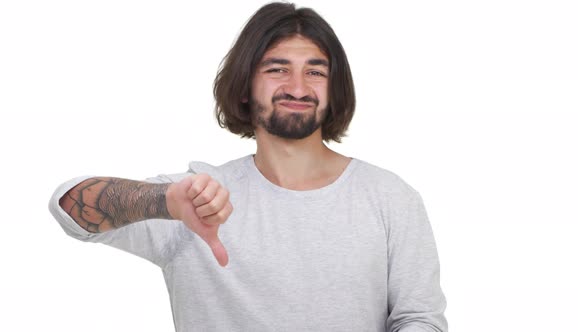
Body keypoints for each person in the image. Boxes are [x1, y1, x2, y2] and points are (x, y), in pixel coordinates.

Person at [49, 2, 448, 331]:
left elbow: (419, 319)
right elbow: (67, 207)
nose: (297, 87)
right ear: (244, 87)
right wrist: (164, 202)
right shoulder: (195, 199)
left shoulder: (390, 197)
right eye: (277, 70)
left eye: (315, 71)